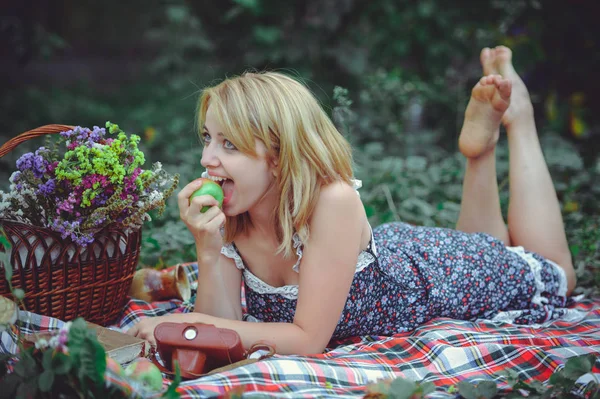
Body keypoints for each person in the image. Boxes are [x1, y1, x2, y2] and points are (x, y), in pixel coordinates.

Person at [127, 46, 576, 355]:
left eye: (230, 145)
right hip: (397, 255)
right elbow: (218, 327)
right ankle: (480, 152)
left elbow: (307, 340)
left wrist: (176, 328)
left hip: (441, 276)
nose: (207, 159)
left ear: (280, 155)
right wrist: (208, 249)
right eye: (208, 138)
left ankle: (520, 119)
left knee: (555, 272)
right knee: (485, 238)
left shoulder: (332, 201)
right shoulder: (236, 215)